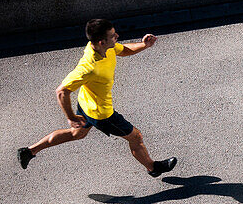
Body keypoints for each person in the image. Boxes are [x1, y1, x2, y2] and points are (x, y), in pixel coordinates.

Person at [18, 19, 177, 177]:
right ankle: (153, 167)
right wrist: (71, 116)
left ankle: (29, 151)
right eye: (113, 36)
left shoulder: (107, 48)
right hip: (102, 114)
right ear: (101, 42)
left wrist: (145, 45)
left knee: (77, 134)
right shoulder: (88, 68)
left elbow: (123, 50)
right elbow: (61, 91)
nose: (117, 37)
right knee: (136, 137)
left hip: (86, 103)